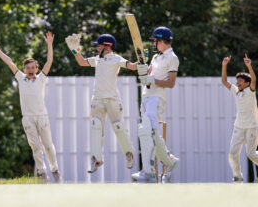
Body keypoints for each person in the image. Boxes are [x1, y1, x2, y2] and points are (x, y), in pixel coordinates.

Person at [0, 31, 61, 183]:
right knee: (35, 147)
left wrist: (49, 44)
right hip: (28, 119)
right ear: (24, 69)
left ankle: (55, 170)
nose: (30, 70)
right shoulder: (21, 78)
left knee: (48, 146)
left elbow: (49, 62)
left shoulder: (41, 78)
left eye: (33, 67)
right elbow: (9, 62)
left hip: (42, 117)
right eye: (27, 67)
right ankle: (42, 173)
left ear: (36, 68)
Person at [66, 33, 142, 174]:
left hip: (112, 99)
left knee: (118, 127)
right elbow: (81, 62)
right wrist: (74, 50)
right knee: (96, 127)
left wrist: (142, 61)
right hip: (98, 99)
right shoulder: (97, 60)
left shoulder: (116, 58)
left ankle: (129, 154)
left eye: (99, 45)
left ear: (107, 46)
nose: (96, 47)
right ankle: (96, 159)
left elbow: (132, 67)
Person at [131, 26, 179, 183]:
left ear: (162, 40)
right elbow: (148, 74)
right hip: (146, 96)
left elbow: (171, 83)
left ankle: (148, 171)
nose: (154, 44)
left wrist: (153, 80)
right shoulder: (156, 57)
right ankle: (169, 161)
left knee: (147, 131)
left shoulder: (172, 58)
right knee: (148, 132)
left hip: (157, 98)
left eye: (155, 41)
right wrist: (143, 71)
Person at [222, 54, 258, 182]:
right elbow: (224, 81)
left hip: (252, 126)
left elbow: (254, 80)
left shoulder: (250, 91)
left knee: (250, 153)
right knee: (233, 152)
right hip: (239, 126)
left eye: (240, 81)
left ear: (247, 83)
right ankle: (237, 177)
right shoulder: (236, 91)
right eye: (237, 80)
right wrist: (224, 65)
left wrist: (249, 66)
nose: (237, 83)